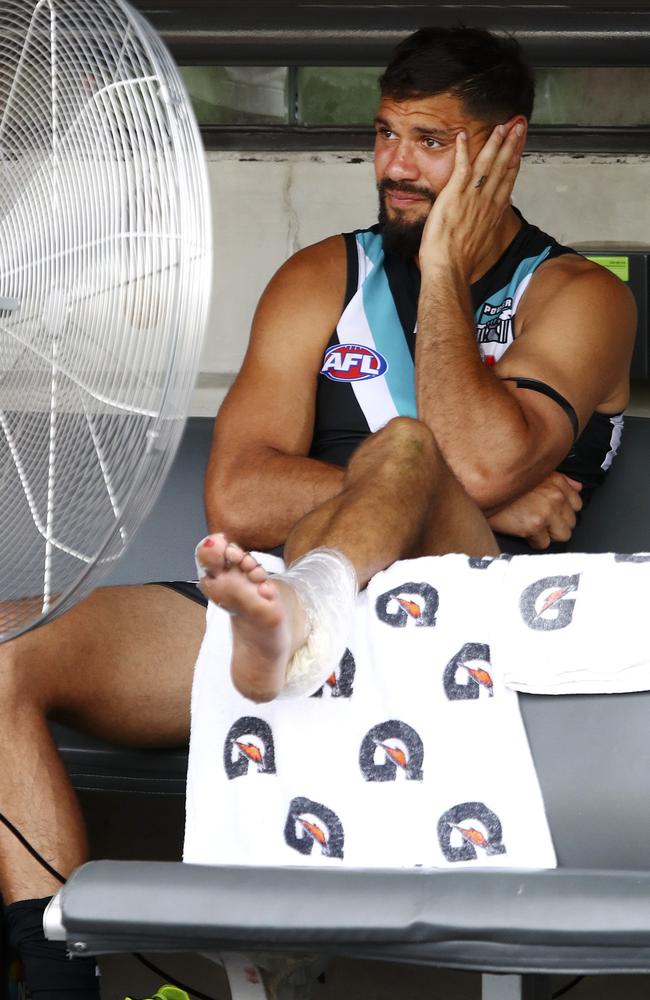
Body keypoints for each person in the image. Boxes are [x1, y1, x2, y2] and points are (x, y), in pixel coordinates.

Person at [0, 25, 634, 999]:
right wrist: (490, 493)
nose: (393, 164)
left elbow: (464, 452)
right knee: (7, 651)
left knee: (411, 448)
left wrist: (440, 282)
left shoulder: (579, 295)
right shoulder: (317, 277)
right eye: (384, 134)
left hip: (465, 623)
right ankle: (50, 983)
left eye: (431, 141)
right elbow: (237, 495)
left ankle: (307, 616)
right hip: (273, 600)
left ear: (501, 147)